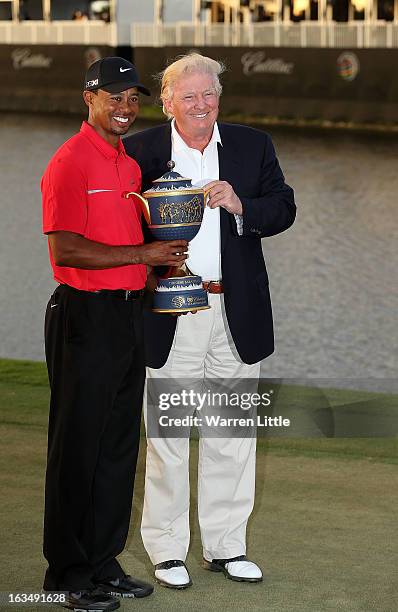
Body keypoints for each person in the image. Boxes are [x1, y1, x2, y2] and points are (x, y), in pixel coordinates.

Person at [124, 53, 296, 589]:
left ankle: (226, 547)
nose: (201, 105)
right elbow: (122, 226)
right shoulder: (140, 151)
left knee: (232, 433)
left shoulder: (252, 145)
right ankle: (167, 551)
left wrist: (242, 205)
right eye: (189, 96)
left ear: (219, 98)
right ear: (169, 102)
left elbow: (284, 208)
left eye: (210, 94)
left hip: (235, 310)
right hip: (170, 310)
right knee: (169, 434)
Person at [41, 56, 188, 612]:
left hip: (128, 316)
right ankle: (67, 578)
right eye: (115, 97)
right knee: (76, 449)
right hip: (83, 316)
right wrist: (143, 252)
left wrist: (162, 270)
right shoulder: (69, 161)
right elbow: (66, 249)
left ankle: (103, 564)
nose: (126, 108)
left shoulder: (127, 165)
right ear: (89, 97)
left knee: (117, 447)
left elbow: (127, 248)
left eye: (134, 99)